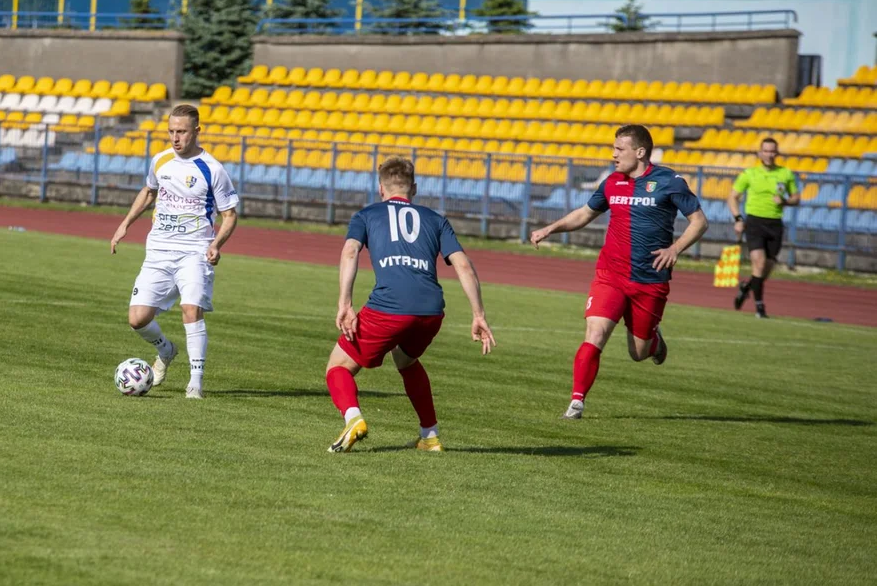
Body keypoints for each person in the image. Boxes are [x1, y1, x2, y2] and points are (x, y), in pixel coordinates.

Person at [530, 124, 708, 420]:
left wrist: (675, 249)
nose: (613, 155)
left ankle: (653, 340)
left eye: (619, 149)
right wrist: (551, 228)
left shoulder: (669, 181)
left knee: (638, 353)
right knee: (595, 333)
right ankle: (576, 402)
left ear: (640, 152)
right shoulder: (612, 181)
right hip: (609, 275)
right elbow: (585, 214)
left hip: (649, 280)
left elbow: (699, 221)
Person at [325, 156, 496, 453]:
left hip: (389, 307)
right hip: (431, 311)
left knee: (337, 366)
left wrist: (345, 304)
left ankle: (353, 419)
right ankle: (429, 436)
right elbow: (464, 266)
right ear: (413, 188)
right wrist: (478, 314)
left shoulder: (366, 215)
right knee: (406, 360)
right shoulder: (436, 219)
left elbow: (350, 252)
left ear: (381, 189)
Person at [110, 104, 239, 399]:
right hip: (158, 252)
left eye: (181, 131)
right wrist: (125, 224)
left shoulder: (213, 169)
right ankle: (166, 351)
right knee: (137, 319)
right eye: (171, 131)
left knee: (190, 310)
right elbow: (149, 192)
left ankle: (196, 381)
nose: (175, 137)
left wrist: (216, 245)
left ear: (196, 131)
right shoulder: (161, 160)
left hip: (194, 252)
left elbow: (229, 215)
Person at [727, 137, 799, 319]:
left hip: (775, 224)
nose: (769, 154)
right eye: (766, 150)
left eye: (772, 151)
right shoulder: (749, 174)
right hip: (754, 223)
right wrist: (738, 218)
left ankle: (747, 287)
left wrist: (785, 201)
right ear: (760, 153)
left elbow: (796, 198)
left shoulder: (786, 174)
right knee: (758, 262)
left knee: (765, 270)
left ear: (777, 153)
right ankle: (760, 308)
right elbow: (732, 197)